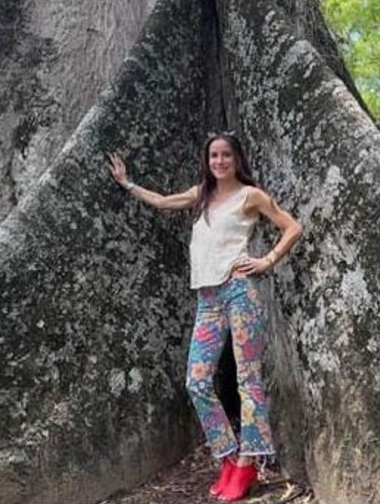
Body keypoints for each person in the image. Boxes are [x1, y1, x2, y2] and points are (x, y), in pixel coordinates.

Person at [109, 133, 303, 502]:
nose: (219, 161)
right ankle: (229, 456)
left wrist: (266, 261)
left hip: (239, 290)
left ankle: (249, 461)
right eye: (214, 155)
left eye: (226, 155)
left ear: (236, 158)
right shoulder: (201, 194)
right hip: (208, 298)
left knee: (248, 378)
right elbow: (164, 201)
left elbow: (292, 227)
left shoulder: (251, 195)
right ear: (207, 160)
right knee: (197, 381)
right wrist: (127, 183)